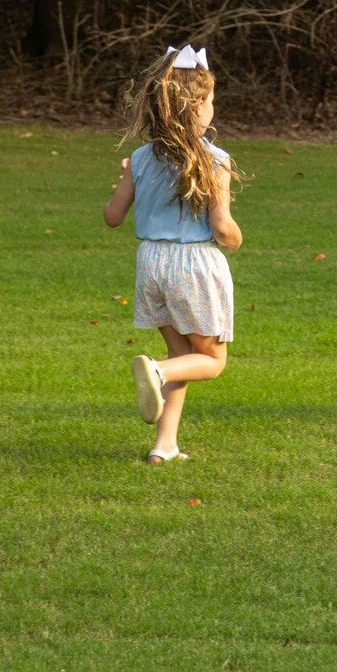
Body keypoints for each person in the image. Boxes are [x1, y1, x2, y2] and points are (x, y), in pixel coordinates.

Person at [103, 45, 243, 462]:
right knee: (211, 361)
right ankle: (157, 370)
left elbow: (113, 217)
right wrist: (235, 238)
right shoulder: (215, 160)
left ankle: (164, 446)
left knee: (183, 355)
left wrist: (128, 177)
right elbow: (222, 228)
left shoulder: (141, 159)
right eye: (212, 101)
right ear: (198, 106)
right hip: (193, 266)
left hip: (151, 263)